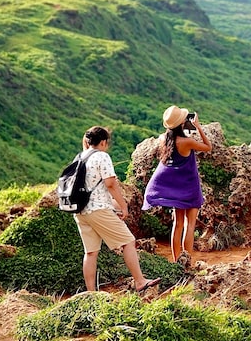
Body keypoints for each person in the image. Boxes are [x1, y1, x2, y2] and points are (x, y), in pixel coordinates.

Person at [74, 126, 161, 293]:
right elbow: (111, 184)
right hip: (98, 209)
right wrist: (123, 205)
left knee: (91, 252)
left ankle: (91, 293)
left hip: (80, 211)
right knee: (128, 241)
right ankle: (140, 281)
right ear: (104, 142)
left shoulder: (80, 157)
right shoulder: (102, 156)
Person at [143, 106, 212, 264]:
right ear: (182, 123)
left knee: (178, 223)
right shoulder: (187, 142)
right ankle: (188, 262)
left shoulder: (163, 139)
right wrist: (198, 127)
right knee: (190, 225)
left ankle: (176, 262)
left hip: (175, 188)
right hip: (190, 186)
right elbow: (208, 147)